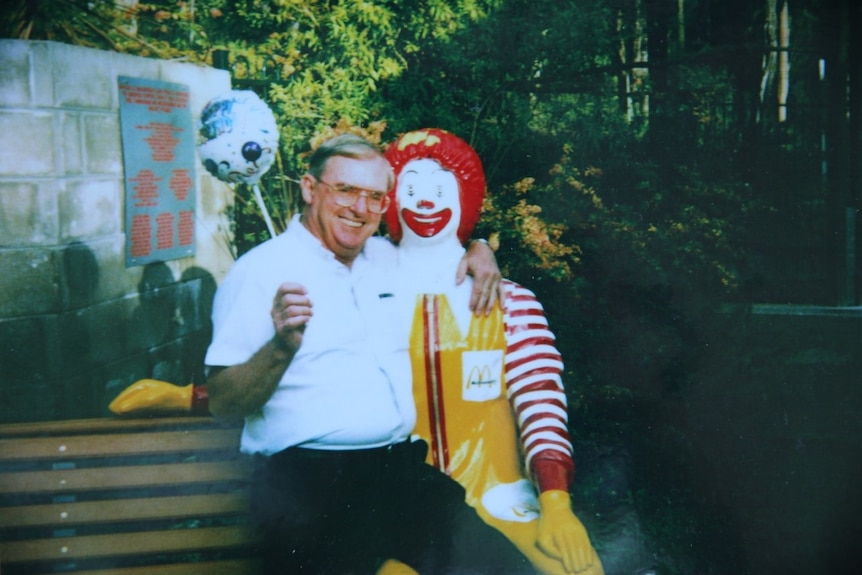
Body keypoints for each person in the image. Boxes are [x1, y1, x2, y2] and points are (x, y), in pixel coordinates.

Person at [203, 133, 533, 574]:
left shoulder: (385, 258)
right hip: (310, 486)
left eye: (375, 197)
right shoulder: (258, 273)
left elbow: (443, 253)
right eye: (346, 190)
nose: (360, 209)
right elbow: (224, 403)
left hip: (398, 472)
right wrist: (281, 347)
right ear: (309, 188)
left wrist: (481, 249)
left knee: (507, 570)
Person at [377, 128, 604, 575]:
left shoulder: (514, 302)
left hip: (500, 495)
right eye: (412, 187)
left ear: (466, 197)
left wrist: (555, 503)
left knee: (577, 572)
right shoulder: (363, 291)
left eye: (441, 189)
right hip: (403, 503)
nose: (425, 202)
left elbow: (541, 403)